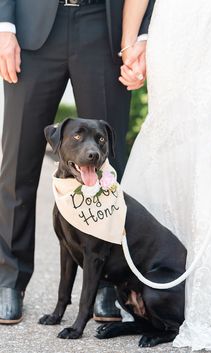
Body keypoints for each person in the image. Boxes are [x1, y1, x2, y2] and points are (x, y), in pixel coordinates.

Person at [0, 0, 155, 324]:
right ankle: (10, 282)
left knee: (107, 166)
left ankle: (105, 286)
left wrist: (141, 35)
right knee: (17, 165)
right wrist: (4, 27)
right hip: (31, 29)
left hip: (104, 27)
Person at [120, 0, 211, 350]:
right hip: (171, 29)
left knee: (210, 148)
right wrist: (131, 43)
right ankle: (160, 286)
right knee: (170, 142)